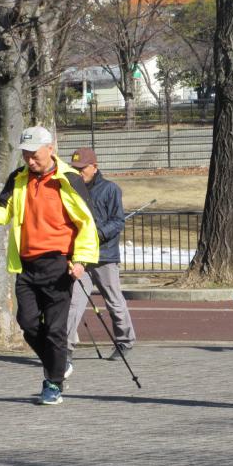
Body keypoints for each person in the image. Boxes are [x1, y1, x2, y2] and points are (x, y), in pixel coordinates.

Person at [0, 126, 98, 405]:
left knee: (54, 329)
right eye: (26, 155)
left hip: (59, 265)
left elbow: (87, 224)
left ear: (50, 149)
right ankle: (59, 363)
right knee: (27, 323)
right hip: (27, 265)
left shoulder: (69, 179)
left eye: (34, 155)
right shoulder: (18, 178)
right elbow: (5, 211)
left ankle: (53, 384)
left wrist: (82, 262)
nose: (30, 161)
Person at [65, 147, 135, 365]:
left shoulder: (110, 189)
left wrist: (97, 234)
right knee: (73, 303)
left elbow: (118, 221)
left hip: (105, 255)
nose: (78, 172)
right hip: (80, 257)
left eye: (82, 168)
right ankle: (64, 348)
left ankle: (124, 341)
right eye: (74, 168)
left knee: (114, 301)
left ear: (94, 167)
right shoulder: (70, 189)